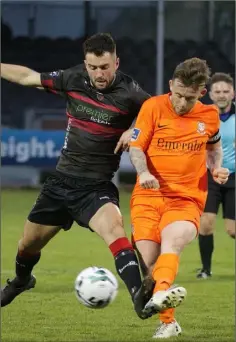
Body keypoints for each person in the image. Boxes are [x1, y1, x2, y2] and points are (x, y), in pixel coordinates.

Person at [1, 33, 152, 318]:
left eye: (105, 67)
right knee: (28, 244)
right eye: (93, 67)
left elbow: (159, 114)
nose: (99, 74)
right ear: (85, 64)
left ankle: (139, 297)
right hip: (60, 182)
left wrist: (134, 130)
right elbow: (27, 77)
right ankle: (22, 280)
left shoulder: (131, 92)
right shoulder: (72, 79)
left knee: (115, 231)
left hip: (96, 186)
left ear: (116, 62)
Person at [129, 58, 230, 338]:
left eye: (189, 98)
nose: (182, 104)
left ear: (201, 92)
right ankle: (169, 319)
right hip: (148, 196)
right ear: (171, 85)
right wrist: (144, 171)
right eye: (178, 95)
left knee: (171, 244)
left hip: (187, 198)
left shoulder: (208, 115)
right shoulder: (152, 107)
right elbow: (136, 148)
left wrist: (216, 168)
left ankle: (166, 317)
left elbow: (213, 147)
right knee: (150, 264)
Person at [197, 72, 235, 279]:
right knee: (206, 223)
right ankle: (206, 270)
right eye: (217, 91)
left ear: (233, 93)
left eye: (226, 91)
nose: (222, 95)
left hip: (234, 179)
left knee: (232, 230)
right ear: (210, 94)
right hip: (210, 176)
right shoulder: (202, 116)